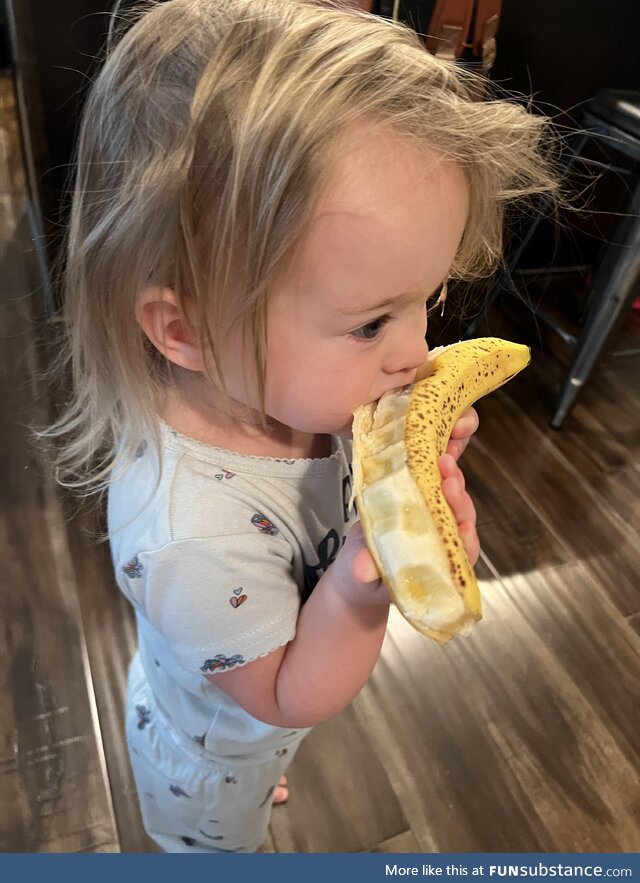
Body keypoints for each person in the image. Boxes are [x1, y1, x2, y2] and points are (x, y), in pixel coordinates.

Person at [43, 0, 557, 853]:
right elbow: (288, 692)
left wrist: (411, 480)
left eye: (422, 303)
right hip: (210, 758)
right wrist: (363, 586)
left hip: (244, 676)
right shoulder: (190, 540)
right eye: (370, 324)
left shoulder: (297, 390)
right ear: (189, 331)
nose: (418, 352)